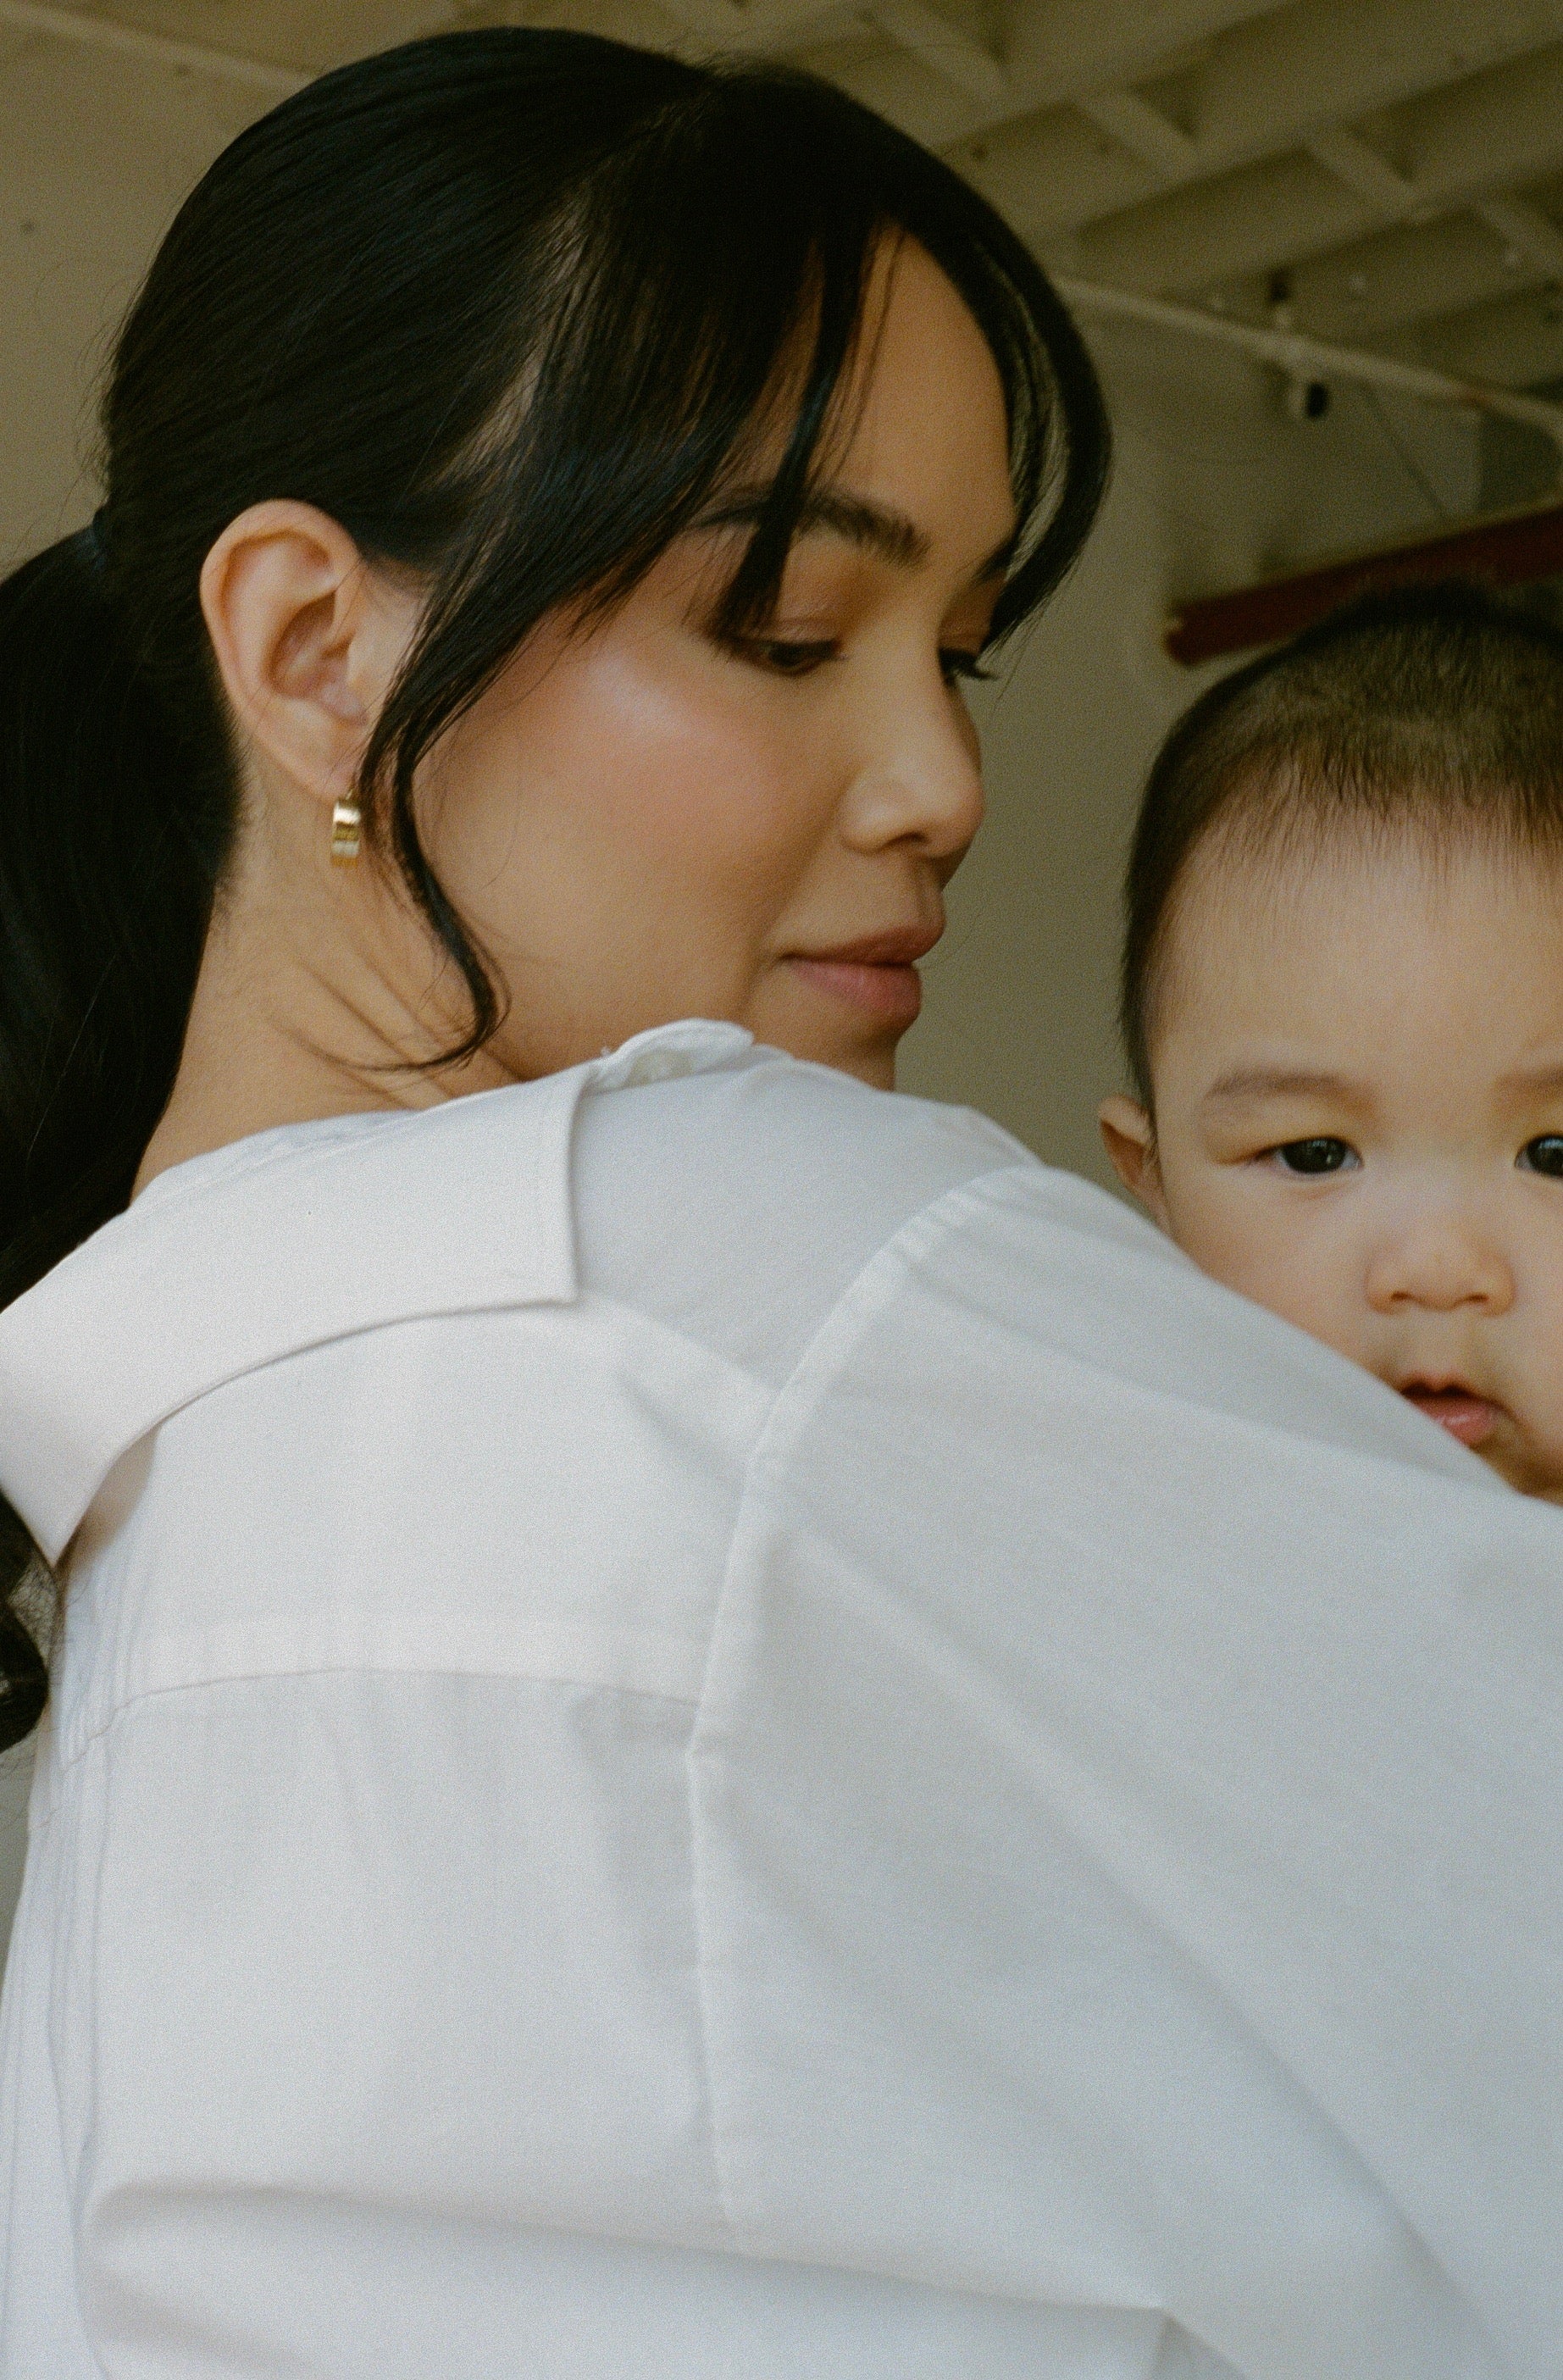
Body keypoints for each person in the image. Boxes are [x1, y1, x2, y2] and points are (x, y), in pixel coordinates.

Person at [0, 33, 1559, 2380]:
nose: (938, 783)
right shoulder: (724, 1265)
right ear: (315, 654)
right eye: (787, 633)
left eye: (960, 652)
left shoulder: (154, 1464)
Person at [1100, 582, 1563, 1501]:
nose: (1434, 1272)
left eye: (1553, 1153)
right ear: (1152, 1185)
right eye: (1314, 1154)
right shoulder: (1140, 1566)